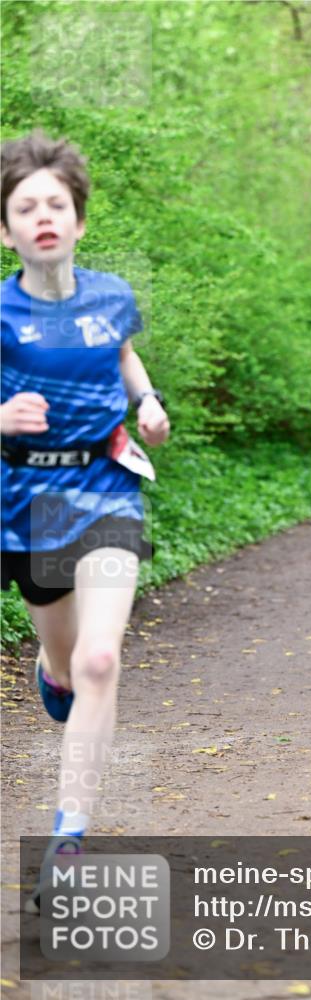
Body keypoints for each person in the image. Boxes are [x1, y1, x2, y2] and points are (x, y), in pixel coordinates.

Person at [1, 131, 170, 910]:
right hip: (27, 502)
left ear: (78, 220)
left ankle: (68, 841)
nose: (43, 217)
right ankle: (53, 672)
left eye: (55, 205)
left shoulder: (111, 296)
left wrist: (147, 402)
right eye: (25, 206)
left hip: (106, 487)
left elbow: (124, 358)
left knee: (102, 660)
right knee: (67, 664)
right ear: (6, 230)